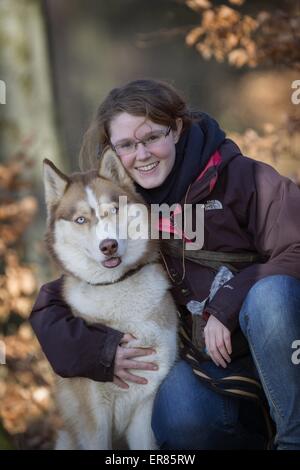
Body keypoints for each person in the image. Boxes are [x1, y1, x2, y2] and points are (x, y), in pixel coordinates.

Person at [30, 79, 300, 450]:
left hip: (275, 352)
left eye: (152, 137)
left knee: (272, 294)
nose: (141, 154)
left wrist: (229, 301)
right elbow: (53, 305)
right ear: (113, 151)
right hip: (209, 371)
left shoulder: (243, 178)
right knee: (176, 415)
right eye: (126, 145)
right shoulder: (120, 207)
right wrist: (103, 354)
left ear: (176, 129)